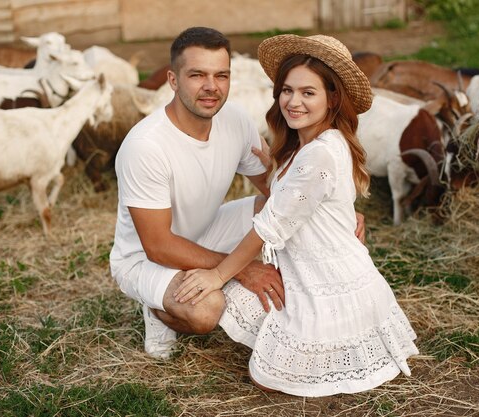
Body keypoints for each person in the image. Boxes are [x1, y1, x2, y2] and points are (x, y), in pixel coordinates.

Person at [175, 34, 419, 397]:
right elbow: (299, 200)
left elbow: (269, 226)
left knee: (267, 377)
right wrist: (273, 168)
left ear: (333, 98)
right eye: (287, 90)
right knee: (235, 314)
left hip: (327, 282)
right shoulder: (305, 145)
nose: (293, 101)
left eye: (308, 93)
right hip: (306, 268)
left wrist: (219, 273)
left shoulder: (318, 153)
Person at [110, 27, 365, 360]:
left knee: (269, 210)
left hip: (208, 230)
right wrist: (242, 270)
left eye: (221, 75)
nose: (211, 87)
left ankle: (306, 304)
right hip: (145, 257)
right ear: (172, 80)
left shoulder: (235, 120)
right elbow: (158, 245)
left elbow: (278, 191)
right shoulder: (146, 146)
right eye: (197, 75)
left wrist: (339, 211)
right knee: (206, 310)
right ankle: (156, 309)